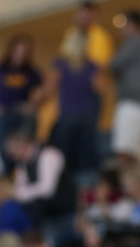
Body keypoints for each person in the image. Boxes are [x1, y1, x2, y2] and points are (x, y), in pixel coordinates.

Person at [50, 28, 104, 173]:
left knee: (66, 155)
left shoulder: (60, 65)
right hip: (86, 115)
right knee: (86, 155)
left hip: (68, 115)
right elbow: (100, 88)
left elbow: (51, 87)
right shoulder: (91, 66)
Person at [0, 35, 44, 148]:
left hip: (22, 111)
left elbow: (41, 91)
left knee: (26, 133)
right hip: (3, 111)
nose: (21, 54)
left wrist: (33, 105)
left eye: (25, 51)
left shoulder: (32, 72)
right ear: (11, 51)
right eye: (19, 51)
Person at [110, 10, 140, 166]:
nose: (122, 28)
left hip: (132, 102)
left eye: (125, 23)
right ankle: (135, 187)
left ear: (133, 24)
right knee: (135, 152)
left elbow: (113, 64)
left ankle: (132, 188)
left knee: (125, 152)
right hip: (136, 102)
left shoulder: (136, 41)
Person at [7, 130, 75, 227]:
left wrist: (25, 193)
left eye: (13, 152)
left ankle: (36, 235)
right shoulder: (22, 165)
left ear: (23, 145)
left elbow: (47, 190)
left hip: (63, 203)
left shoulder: (49, 154)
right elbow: (18, 192)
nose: (13, 156)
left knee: (36, 204)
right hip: (44, 207)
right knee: (12, 207)